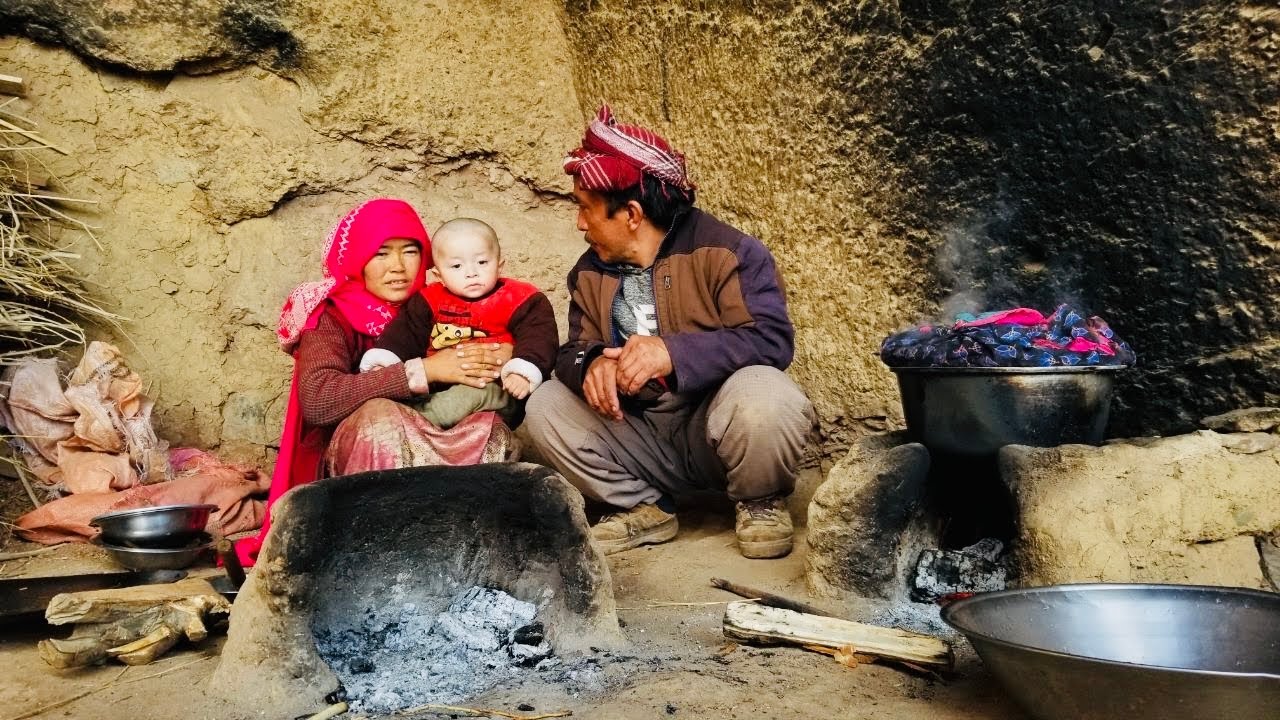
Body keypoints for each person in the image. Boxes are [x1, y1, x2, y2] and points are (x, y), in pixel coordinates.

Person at [524, 105, 816, 559]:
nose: (580, 224)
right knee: (543, 405)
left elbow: (771, 341)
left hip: (715, 432)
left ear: (632, 214)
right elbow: (571, 351)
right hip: (638, 431)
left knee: (766, 390)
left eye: (586, 209)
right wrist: (591, 363)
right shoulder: (588, 272)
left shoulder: (728, 252)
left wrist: (672, 354)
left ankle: (760, 502)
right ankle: (644, 508)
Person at [234, 199, 514, 567]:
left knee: (491, 426)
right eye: (380, 253)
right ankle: (383, 549)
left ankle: (465, 546)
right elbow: (318, 400)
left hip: (439, 427)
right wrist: (424, 371)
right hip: (360, 453)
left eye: (410, 252)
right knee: (381, 418)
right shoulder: (330, 316)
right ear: (356, 260)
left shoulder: (446, 305)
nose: (398, 267)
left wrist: (503, 358)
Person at [359, 217, 558, 429]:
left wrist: (523, 369)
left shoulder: (521, 298)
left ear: (499, 266)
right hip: (436, 388)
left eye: (482, 262)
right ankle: (415, 415)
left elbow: (539, 336)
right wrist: (385, 360)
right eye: (456, 265)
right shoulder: (428, 300)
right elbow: (404, 334)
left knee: (470, 396)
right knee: (396, 399)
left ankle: (417, 421)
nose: (471, 272)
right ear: (439, 275)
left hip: (493, 387)